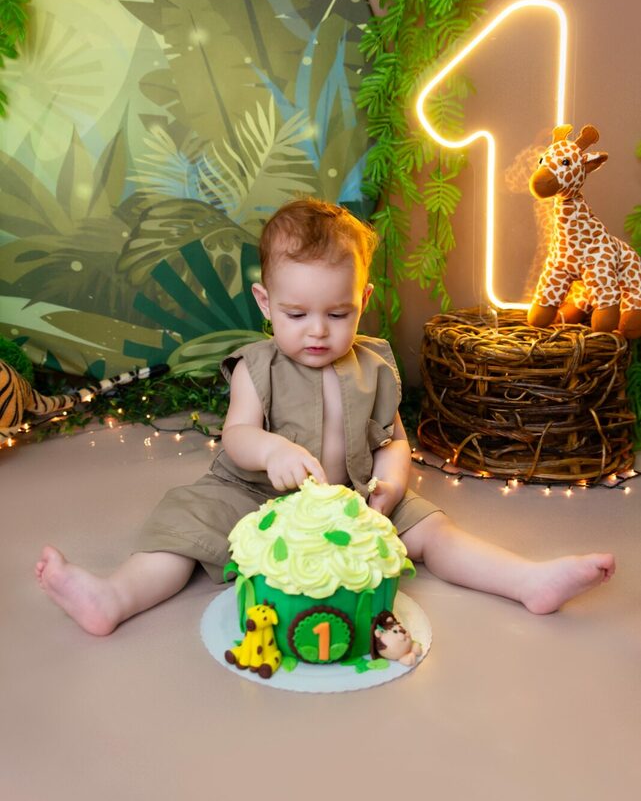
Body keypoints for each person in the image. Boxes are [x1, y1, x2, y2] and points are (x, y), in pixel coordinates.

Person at [36, 198, 615, 635]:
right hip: (253, 495)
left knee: (436, 531)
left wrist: (390, 486)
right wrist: (273, 451)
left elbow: (393, 440)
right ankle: (114, 597)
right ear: (266, 304)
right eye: (297, 314)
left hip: (354, 497)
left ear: (362, 300)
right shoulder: (257, 367)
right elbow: (238, 435)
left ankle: (527, 580)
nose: (317, 331)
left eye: (337, 314)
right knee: (184, 530)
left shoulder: (374, 366)